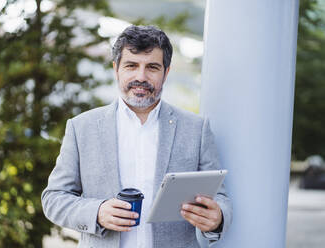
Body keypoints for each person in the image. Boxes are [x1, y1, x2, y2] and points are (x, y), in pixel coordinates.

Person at [41, 25, 232, 248]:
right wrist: (97, 212)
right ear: (116, 69)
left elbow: (220, 197)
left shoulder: (196, 129)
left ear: (166, 72)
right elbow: (54, 198)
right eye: (131, 66)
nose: (141, 77)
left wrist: (218, 218)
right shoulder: (82, 128)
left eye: (152, 67)